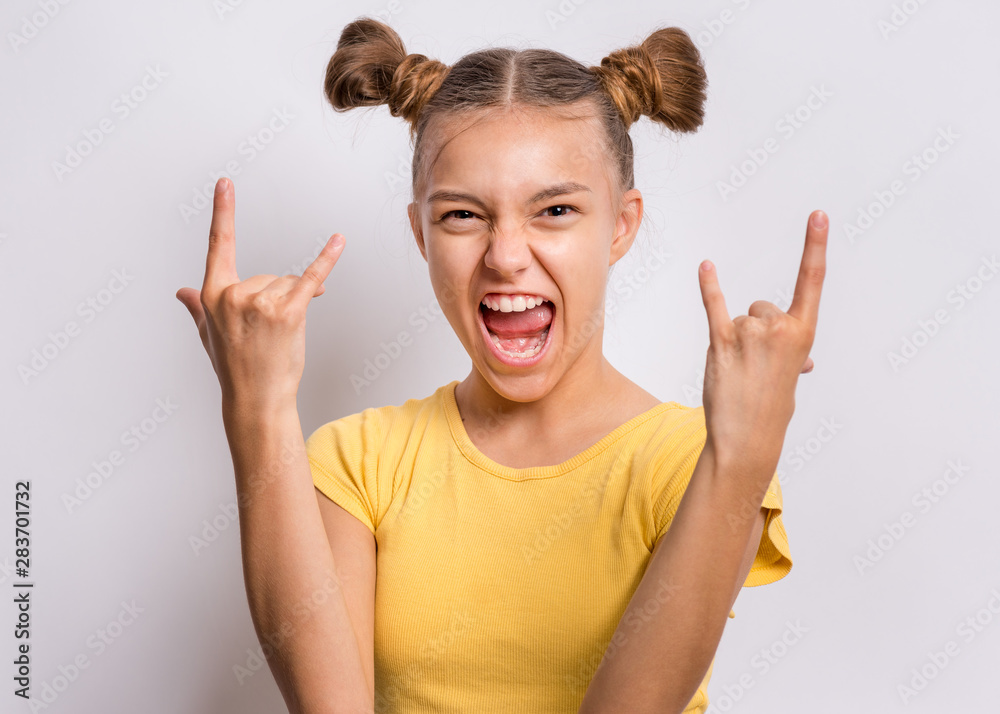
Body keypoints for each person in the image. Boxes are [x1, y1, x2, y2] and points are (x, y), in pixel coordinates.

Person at [176, 16, 827, 714]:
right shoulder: (356, 462)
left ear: (621, 224)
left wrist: (744, 454)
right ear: (421, 233)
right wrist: (257, 410)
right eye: (462, 216)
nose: (506, 255)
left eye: (554, 209)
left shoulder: (697, 460)